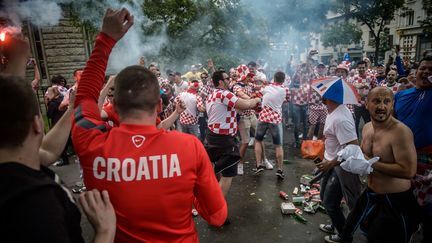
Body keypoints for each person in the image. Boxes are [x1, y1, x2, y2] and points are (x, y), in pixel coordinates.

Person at [72, 8, 227, 242]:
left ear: (114, 104)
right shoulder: (190, 147)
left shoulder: (91, 144)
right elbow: (217, 217)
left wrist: (105, 40)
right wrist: (189, 192)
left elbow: (84, 98)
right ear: (157, 104)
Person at [0, 74, 116, 243]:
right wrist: (104, 232)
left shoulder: (21, 162)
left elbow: (47, 151)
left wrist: (71, 109)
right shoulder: (39, 204)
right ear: (37, 125)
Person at [330, 87, 419, 243]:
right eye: (376, 101)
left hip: (395, 201)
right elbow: (363, 158)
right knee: (353, 230)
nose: (381, 106)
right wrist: (352, 159)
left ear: (393, 105)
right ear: (366, 103)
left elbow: (408, 170)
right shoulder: (367, 128)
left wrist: (369, 163)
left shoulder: (401, 132)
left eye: (387, 101)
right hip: (371, 193)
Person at [394, 56, 432, 243]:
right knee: (403, 201)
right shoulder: (401, 95)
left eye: (431, 70)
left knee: (427, 208)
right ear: (416, 72)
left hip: (427, 159)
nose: (426, 72)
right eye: (423, 68)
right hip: (401, 157)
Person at [205, 70, 261, 197]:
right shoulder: (225, 94)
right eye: (227, 78)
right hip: (224, 139)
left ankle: (212, 198)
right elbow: (246, 104)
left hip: (213, 135)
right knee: (228, 175)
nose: (229, 80)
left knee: (217, 171)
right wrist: (257, 99)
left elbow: (234, 109)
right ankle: (217, 207)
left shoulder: (212, 94)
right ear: (220, 81)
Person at [316, 97, 361, 241]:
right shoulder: (332, 110)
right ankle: (336, 223)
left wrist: (331, 163)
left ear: (327, 97)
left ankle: (344, 235)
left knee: (330, 202)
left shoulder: (341, 118)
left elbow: (353, 146)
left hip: (340, 167)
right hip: (330, 161)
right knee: (325, 197)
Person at [254, 71, 290, 179]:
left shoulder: (266, 87)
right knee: (278, 145)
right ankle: (280, 170)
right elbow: (287, 100)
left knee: (258, 140)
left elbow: (259, 92)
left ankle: (259, 165)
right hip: (275, 119)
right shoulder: (285, 89)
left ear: (274, 78)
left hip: (263, 117)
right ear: (283, 80)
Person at [349, 61, 377, 136]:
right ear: (357, 68)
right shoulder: (353, 78)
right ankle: (356, 140)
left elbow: (376, 89)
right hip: (356, 104)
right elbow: (351, 90)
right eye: (360, 68)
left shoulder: (371, 77)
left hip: (367, 104)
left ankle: (369, 137)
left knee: (368, 122)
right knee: (355, 123)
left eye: (363, 67)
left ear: (366, 68)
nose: (361, 69)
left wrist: (369, 93)